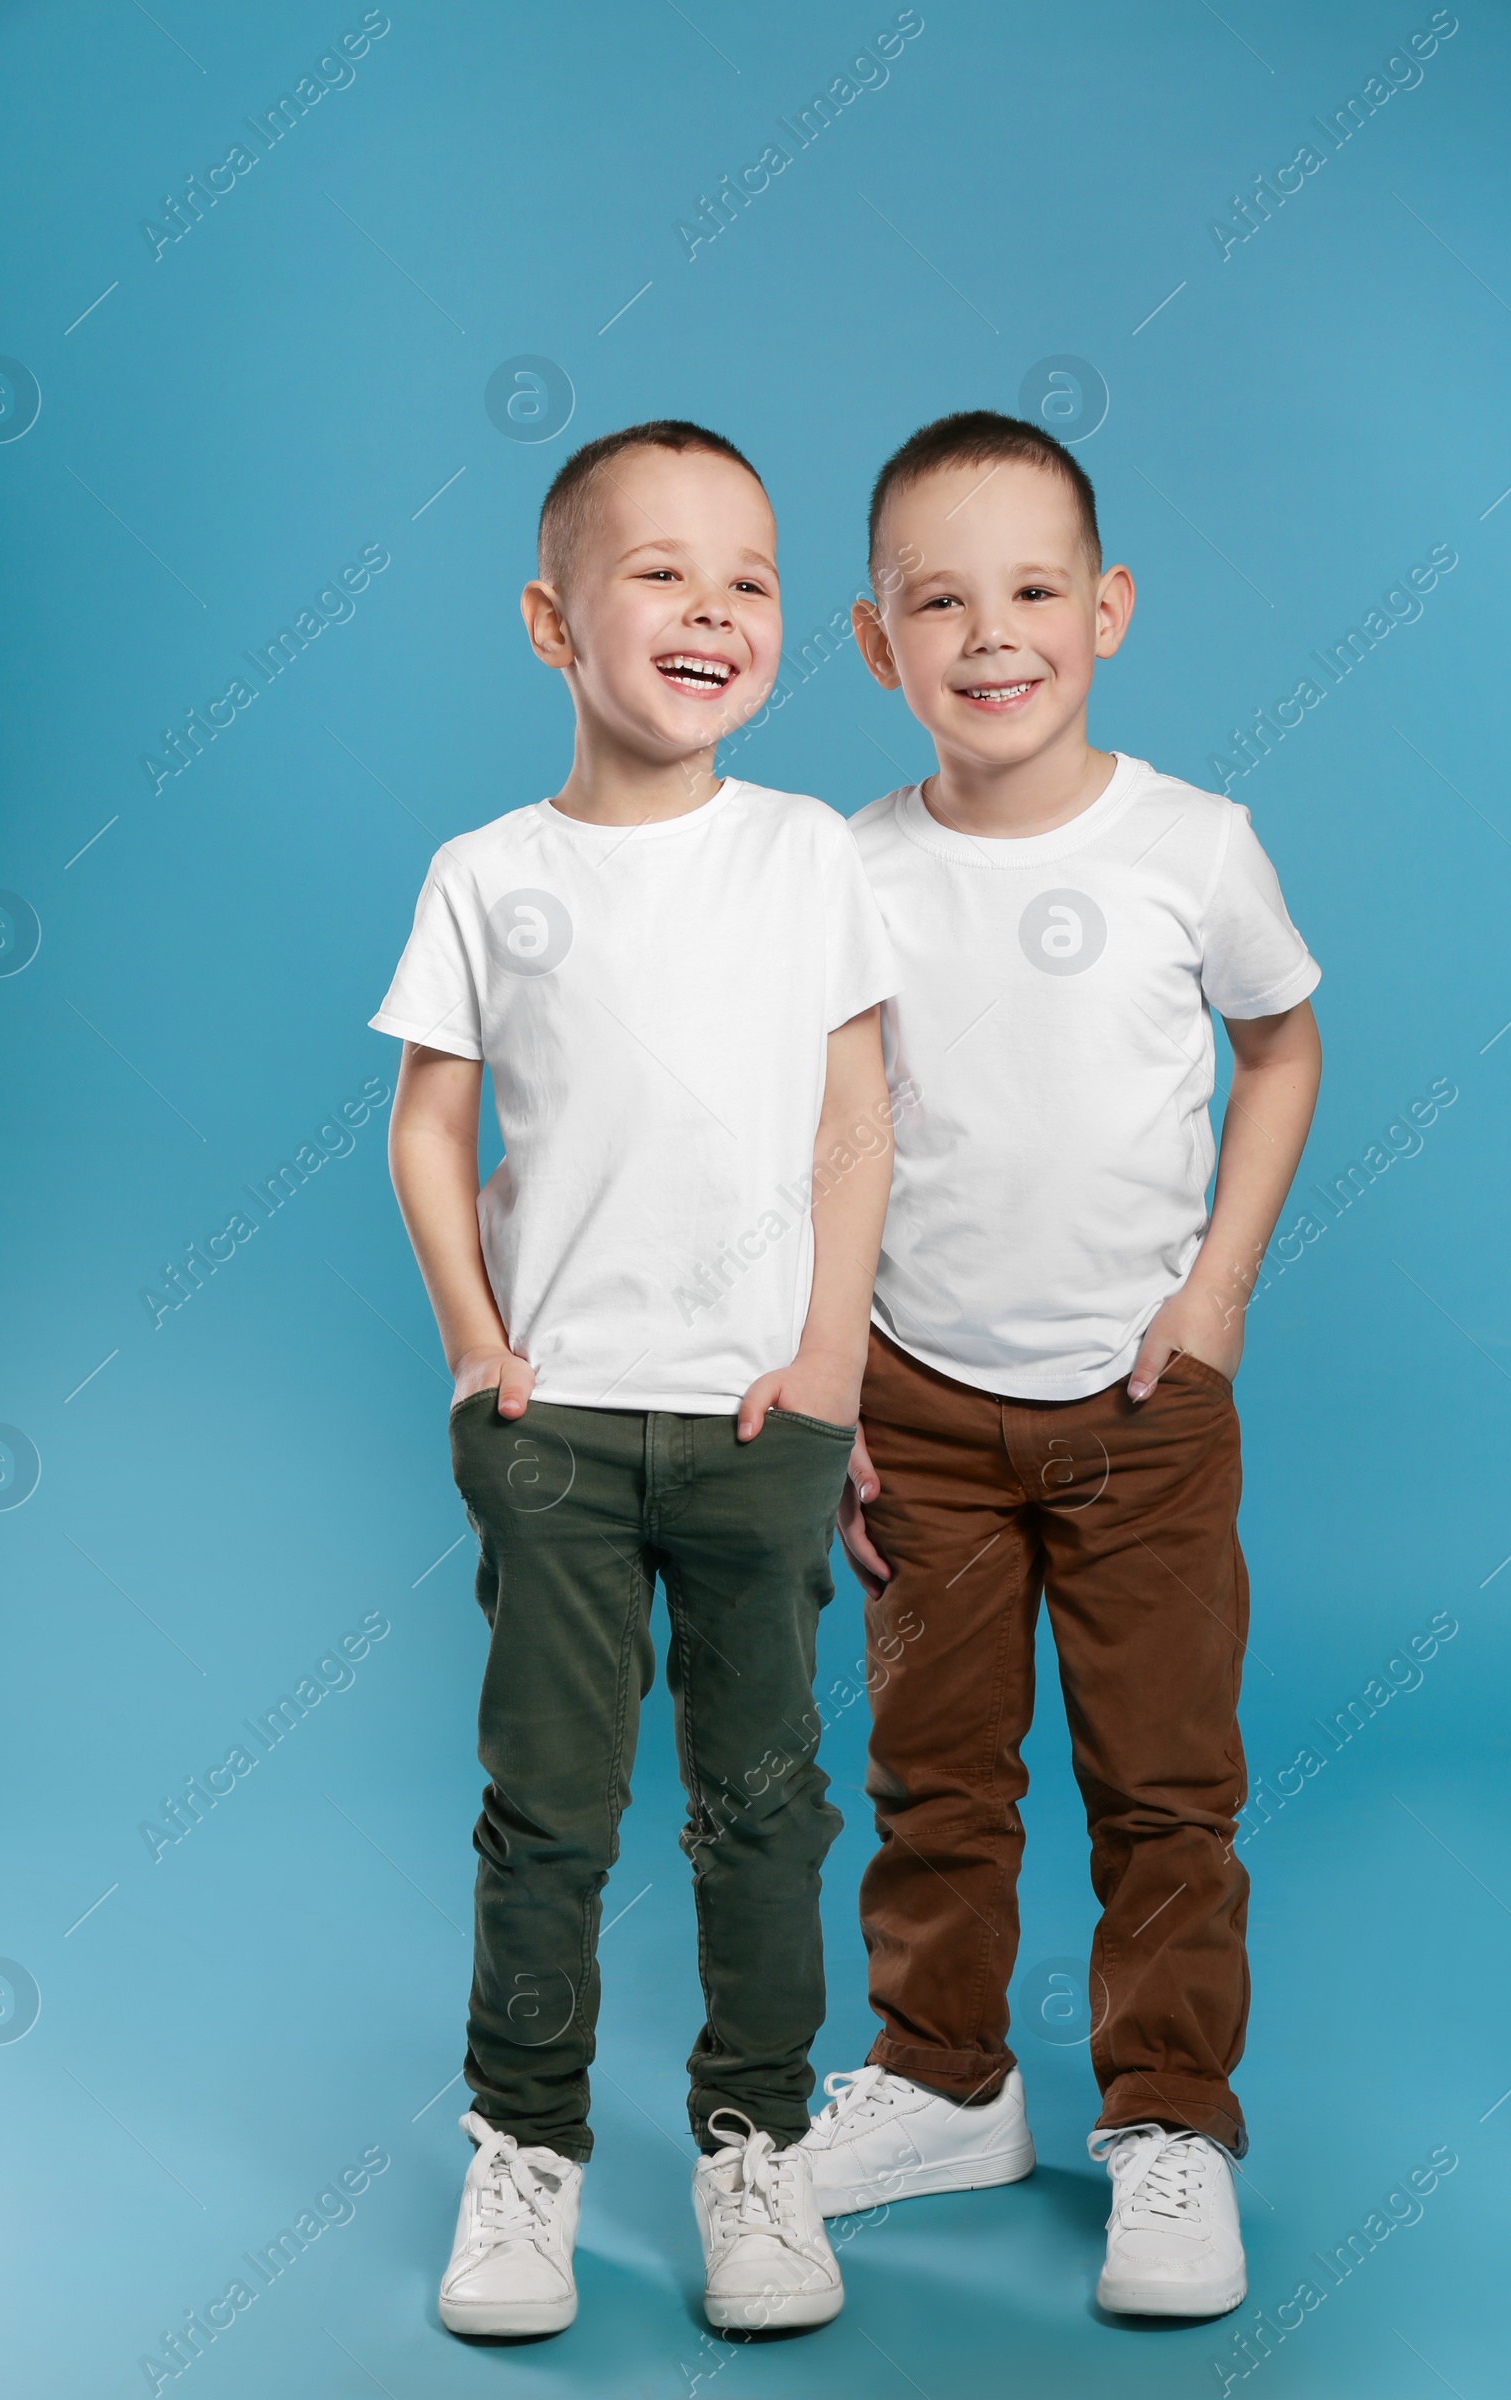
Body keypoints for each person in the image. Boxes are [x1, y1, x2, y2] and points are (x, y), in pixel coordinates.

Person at [372, 420, 897, 2338]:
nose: (714, 609)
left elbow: (858, 1109)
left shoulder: (803, 854)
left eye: (749, 578)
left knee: (763, 1802)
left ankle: (756, 2146)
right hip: (559, 1425)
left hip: (764, 1419)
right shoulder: (487, 875)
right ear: (551, 622)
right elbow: (433, 1125)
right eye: (663, 572)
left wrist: (833, 1355)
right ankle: (525, 2154)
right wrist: (474, 1350)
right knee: (554, 1807)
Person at [799, 410, 1322, 2321]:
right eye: (939, 601)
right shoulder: (844, 870)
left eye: (1031, 591)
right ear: (876, 644)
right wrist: (837, 1374)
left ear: (1105, 609)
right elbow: (836, 1136)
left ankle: (1169, 2121)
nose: (990, 634)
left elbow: (1282, 1048)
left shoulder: (1194, 844)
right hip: (922, 1403)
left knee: (1164, 1785)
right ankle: (946, 2079)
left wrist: (1218, 1294)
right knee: (937, 1775)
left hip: (1143, 1411)